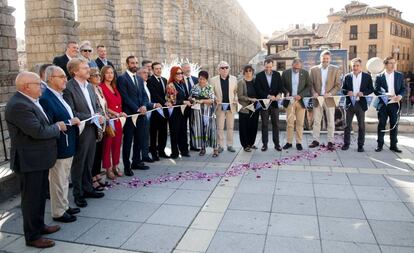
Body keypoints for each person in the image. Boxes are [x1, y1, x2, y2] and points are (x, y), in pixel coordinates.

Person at [6, 71, 65, 248]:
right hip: (29, 161)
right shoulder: (18, 105)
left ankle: (39, 226)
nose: (42, 86)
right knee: (31, 200)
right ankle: (32, 236)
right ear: (26, 87)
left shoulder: (29, 101)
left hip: (39, 159)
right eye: (38, 84)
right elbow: (38, 131)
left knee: (39, 197)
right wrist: (57, 127)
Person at [39, 66, 81, 223]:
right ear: (50, 79)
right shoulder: (46, 98)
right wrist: (69, 122)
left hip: (68, 142)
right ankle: (58, 212)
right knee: (58, 180)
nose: (65, 79)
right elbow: (49, 123)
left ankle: (64, 206)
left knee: (64, 179)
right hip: (58, 145)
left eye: (65, 76)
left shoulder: (59, 95)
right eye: (61, 76)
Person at [63, 58, 105, 208]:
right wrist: (92, 117)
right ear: (75, 71)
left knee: (89, 161)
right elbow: (71, 112)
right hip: (80, 130)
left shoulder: (89, 86)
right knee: (79, 163)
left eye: (88, 67)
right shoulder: (68, 88)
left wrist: (99, 114)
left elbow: (96, 106)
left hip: (92, 128)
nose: (89, 70)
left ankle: (88, 188)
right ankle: (78, 194)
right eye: (85, 67)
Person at [118, 56, 152, 175]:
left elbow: (143, 95)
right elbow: (125, 97)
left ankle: (136, 162)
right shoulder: (122, 78)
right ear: (127, 64)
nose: (135, 65)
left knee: (139, 138)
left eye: (136, 63)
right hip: (130, 115)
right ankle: (127, 166)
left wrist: (143, 106)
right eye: (132, 63)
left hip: (141, 114)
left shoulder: (139, 78)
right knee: (128, 141)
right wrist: (137, 108)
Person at [309, 50, 341, 150]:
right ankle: (315, 140)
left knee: (331, 121)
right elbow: (310, 84)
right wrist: (313, 92)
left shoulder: (335, 69)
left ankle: (330, 141)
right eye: (323, 59)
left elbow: (337, 85)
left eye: (327, 59)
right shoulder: (313, 70)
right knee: (317, 121)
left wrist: (330, 93)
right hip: (317, 99)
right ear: (320, 59)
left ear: (330, 59)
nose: (325, 60)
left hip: (329, 99)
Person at [341, 58, 374, 152]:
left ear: (361, 66)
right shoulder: (347, 76)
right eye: (353, 66)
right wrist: (348, 91)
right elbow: (342, 89)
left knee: (361, 126)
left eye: (357, 65)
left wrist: (363, 93)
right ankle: (346, 144)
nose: (355, 67)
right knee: (347, 125)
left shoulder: (367, 76)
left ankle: (360, 145)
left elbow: (371, 89)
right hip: (349, 104)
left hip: (361, 104)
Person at [100, 65, 127, 179]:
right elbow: (104, 106)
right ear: (103, 75)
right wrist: (116, 114)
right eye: (107, 73)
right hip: (109, 120)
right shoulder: (101, 87)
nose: (110, 75)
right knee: (108, 145)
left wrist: (120, 114)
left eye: (112, 72)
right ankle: (108, 168)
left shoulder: (114, 87)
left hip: (118, 120)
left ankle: (116, 166)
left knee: (117, 144)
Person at [374, 56, 406, 153]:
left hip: (395, 104)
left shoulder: (399, 75)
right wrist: (384, 95)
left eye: (394, 63)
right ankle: (380, 145)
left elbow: (403, 89)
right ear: (385, 64)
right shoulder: (379, 77)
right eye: (390, 63)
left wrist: (400, 96)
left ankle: (393, 145)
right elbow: (376, 90)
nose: (393, 65)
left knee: (394, 125)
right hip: (383, 104)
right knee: (381, 125)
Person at [281, 58, 311, 151]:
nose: (296, 69)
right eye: (295, 67)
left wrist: (301, 95)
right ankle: (289, 142)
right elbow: (282, 86)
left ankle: (299, 142)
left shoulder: (305, 73)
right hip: (290, 101)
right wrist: (286, 92)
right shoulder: (285, 73)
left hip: (300, 101)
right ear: (292, 65)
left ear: (301, 67)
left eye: (298, 68)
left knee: (300, 123)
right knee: (289, 123)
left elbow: (309, 86)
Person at [255, 59, 283, 151]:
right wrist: (268, 96)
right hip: (264, 104)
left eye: (270, 67)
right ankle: (265, 144)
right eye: (267, 67)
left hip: (274, 104)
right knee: (264, 125)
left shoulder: (277, 75)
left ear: (273, 66)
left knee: (276, 125)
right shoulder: (259, 76)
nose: (268, 69)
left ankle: (277, 144)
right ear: (264, 66)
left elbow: (280, 87)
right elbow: (258, 90)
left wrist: (279, 94)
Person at [189, 71, 219, 157]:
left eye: (203, 79)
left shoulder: (209, 87)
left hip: (208, 112)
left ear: (206, 79)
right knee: (200, 129)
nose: (201, 81)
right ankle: (202, 148)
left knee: (211, 129)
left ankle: (215, 149)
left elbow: (212, 100)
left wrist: (202, 101)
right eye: (200, 79)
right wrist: (193, 100)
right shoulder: (194, 87)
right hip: (197, 112)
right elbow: (190, 97)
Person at [211, 61, 238, 153]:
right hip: (220, 106)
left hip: (231, 106)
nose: (225, 69)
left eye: (226, 67)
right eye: (222, 68)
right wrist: (215, 99)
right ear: (218, 70)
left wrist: (236, 98)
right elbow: (211, 93)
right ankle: (220, 145)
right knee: (220, 127)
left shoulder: (234, 79)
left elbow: (236, 92)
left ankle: (230, 145)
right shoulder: (213, 80)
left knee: (230, 126)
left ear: (229, 69)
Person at [89, 68, 109, 189]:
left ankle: (96, 174)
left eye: (98, 74)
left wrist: (107, 115)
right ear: (89, 77)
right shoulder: (89, 89)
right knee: (94, 152)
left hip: (103, 124)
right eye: (94, 75)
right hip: (95, 125)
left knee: (99, 151)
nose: (98, 76)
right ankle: (92, 178)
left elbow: (103, 106)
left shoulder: (99, 88)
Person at [166, 66, 191, 158]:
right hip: (175, 112)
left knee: (183, 131)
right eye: (178, 73)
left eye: (181, 73)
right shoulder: (171, 85)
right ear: (173, 74)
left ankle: (184, 150)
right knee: (175, 132)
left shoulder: (182, 83)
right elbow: (172, 100)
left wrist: (190, 99)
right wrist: (184, 101)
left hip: (183, 111)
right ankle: (175, 152)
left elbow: (185, 96)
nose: (180, 75)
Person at [138, 66, 161, 162]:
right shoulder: (139, 85)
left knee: (146, 136)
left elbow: (147, 100)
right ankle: (141, 156)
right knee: (141, 137)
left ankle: (145, 155)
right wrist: (154, 104)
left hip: (148, 114)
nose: (146, 74)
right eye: (144, 72)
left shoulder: (145, 84)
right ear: (138, 74)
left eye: (147, 72)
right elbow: (143, 101)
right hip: (141, 114)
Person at [147, 62, 170, 160]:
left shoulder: (164, 80)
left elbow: (167, 94)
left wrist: (170, 100)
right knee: (154, 132)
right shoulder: (150, 80)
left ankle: (161, 151)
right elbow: (154, 94)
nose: (158, 70)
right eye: (156, 69)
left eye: (160, 68)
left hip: (164, 110)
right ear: (152, 70)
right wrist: (165, 102)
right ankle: (153, 153)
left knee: (163, 131)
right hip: (155, 110)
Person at [237, 65, 259, 152]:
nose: (248, 72)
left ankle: (251, 143)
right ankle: (245, 145)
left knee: (253, 126)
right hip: (245, 108)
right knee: (244, 127)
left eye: (250, 71)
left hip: (254, 108)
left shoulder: (255, 81)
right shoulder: (241, 82)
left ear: (252, 72)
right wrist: (250, 99)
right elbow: (240, 96)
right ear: (244, 72)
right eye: (247, 71)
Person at [182, 62, 200, 151]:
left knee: (194, 126)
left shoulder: (196, 79)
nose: (188, 69)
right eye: (185, 68)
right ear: (182, 69)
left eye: (189, 67)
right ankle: (184, 146)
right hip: (183, 107)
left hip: (194, 107)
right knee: (184, 127)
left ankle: (194, 145)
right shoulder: (180, 80)